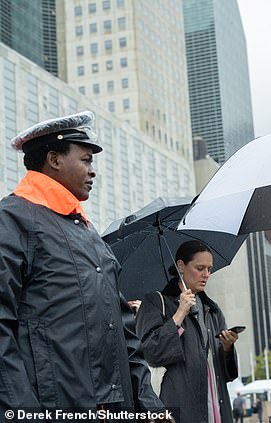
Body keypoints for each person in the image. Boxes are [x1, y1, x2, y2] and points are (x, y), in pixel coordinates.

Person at [0, 111, 170, 420]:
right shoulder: (11, 219)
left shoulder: (90, 235)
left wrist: (150, 405)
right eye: (86, 160)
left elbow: (123, 330)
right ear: (54, 159)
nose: (93, 171)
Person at [135, 240, 240, 423]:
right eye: (200, 268)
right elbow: (151, 353)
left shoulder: (212, 310)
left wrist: (227, 348)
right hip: (178, 407)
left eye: (209, 269)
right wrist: (179, 313)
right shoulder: (156, 302)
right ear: (181, 266)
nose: (206, 275)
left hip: (216, 406)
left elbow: (227, 373)